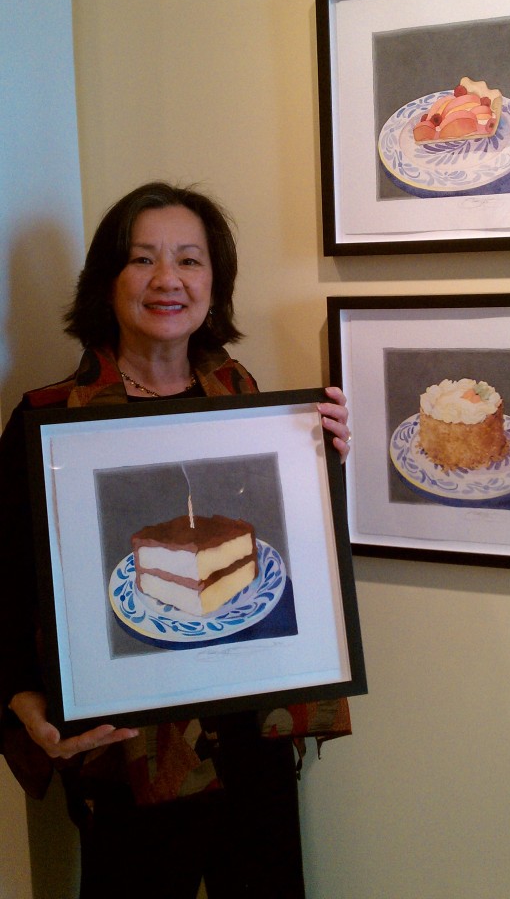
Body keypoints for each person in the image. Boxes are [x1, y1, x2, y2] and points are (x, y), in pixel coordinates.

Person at [0, 181, 352, 899]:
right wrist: (23, 703)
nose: (168, 280)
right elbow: (4, 583)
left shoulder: (245, 395)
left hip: (253, 749)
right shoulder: (44, 419)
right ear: (108, 281)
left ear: (213, 283)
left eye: (189, 260)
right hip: (125, 762)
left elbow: (284, 558)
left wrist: (326, 465)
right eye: (142, 260)